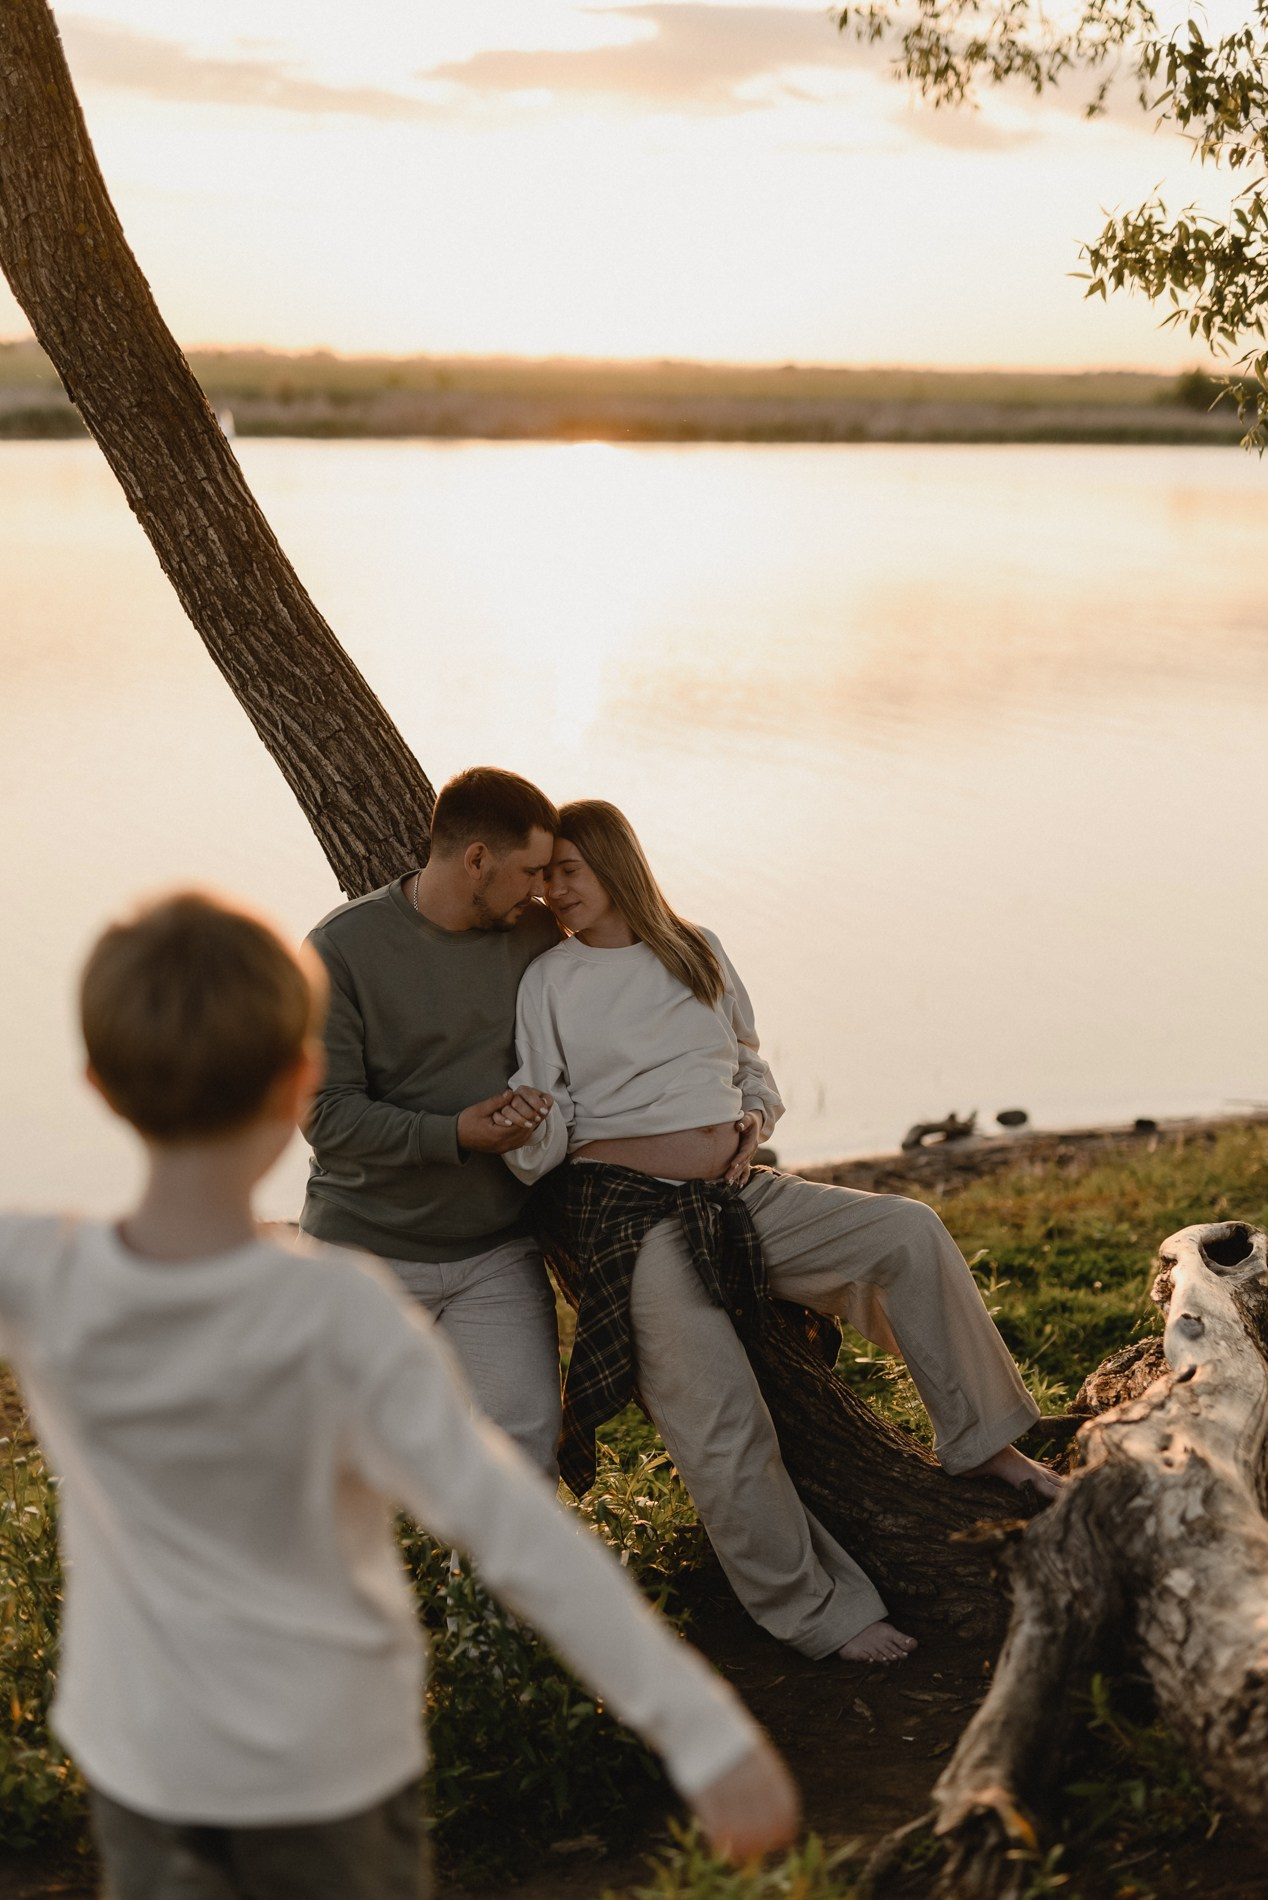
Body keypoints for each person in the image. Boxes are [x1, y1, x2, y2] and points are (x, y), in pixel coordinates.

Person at [0, 890, 800, 1900]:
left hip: (142, 1761)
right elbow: (511, 1523)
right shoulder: (338, 1311)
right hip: (330, 1771)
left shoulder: (40, 1273)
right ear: (300, 1079)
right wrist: (701, 1729)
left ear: (99, 1087)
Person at [502, 800, 1063, 1667]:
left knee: (907, 1233)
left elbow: (749, 1057)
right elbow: (543, 1117)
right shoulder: (551, 980)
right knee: (723, 1420)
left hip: (740, 1193)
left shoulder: (698, 949)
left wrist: (753, 1120)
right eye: (544, 878)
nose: (553, 892)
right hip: (634, 1214)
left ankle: (984, 1444)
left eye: (567, 871)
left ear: (614, 865)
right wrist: (533, 1130)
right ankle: (816, 1613)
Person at [301, 766, 566, 1476]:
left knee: (521, 1460)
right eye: (530, 871)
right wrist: (453, 1135)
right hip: (365, 1249)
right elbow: (325, 1117)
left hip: (494, 1252)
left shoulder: (536, 934)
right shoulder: (341, 949)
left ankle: (482, 1594)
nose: (543, 890)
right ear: (476, 859)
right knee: (327, 1471)